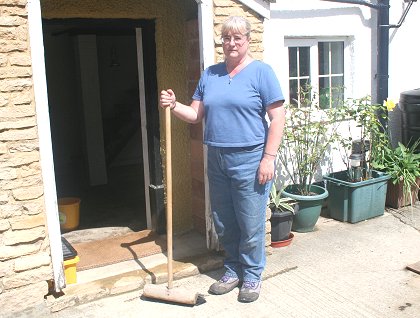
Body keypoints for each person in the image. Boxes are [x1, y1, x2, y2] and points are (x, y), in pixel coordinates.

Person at [159, 16, 285, 303]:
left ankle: (252, 275)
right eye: (227, 38)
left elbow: (277, 118)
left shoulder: (261, 73)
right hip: (215, 156)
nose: (231, 43)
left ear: (247, 40)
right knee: (224, 220)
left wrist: (269, 158)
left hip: (250, 158)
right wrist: (174, 104)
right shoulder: (211, 74)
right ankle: (232, 269)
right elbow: (195, 115)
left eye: (237, 38)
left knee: (250, 222)